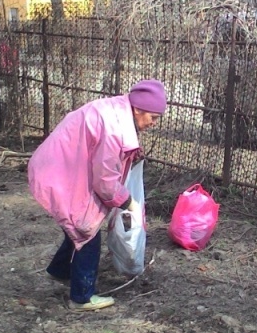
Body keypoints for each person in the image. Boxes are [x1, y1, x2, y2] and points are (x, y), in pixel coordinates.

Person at [28, 79, 167, 311]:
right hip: (61, 172)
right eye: (153, 118)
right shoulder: (115, 129)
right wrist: (127, 202)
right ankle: (81, 297)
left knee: (77, 227)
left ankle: (59, 271)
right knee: (87, 230)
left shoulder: (118, 112)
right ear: (139, 109)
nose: (154, 123)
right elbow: (104, 180)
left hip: (62, 166)